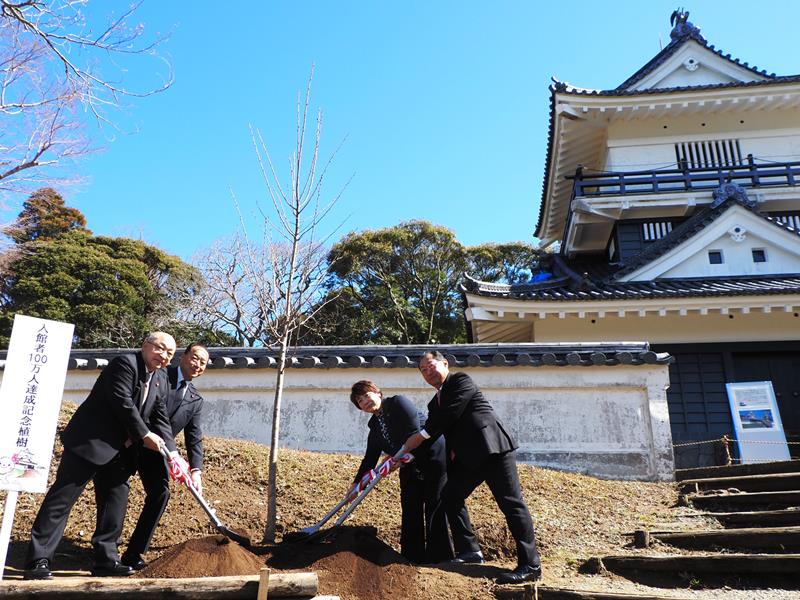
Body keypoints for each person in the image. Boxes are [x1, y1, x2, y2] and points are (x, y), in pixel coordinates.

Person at [24, 332, 178, 580]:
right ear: (145, 345)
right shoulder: (125, 364)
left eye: (170, 353)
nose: (164, 356)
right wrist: (144, 435)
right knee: (62, 500)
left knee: (115, 502)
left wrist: (173, 453)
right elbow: (123, 403)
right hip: (90, 442)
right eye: (160, 348)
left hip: (120, 451)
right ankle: (38, 560)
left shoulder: (160, 378)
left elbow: (159, 416)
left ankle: (106, 560)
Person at [403, 351, 542, 584]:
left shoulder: (461, 380)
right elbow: (433, 433)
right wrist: (405, 455)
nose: (428, 372)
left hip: (493, 449)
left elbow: (448, 415)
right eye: (423, 370)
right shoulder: (434, 403)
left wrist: (420, 435)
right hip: (469, 460)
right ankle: (470, 550)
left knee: (511, 504)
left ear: (445, 363)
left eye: (431, 366)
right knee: (450, 495)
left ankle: (531, 565)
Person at [120, 342, 210, 570]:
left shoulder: (195, 399)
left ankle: (134, 553)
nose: (198, 365)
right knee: (117, 490)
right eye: (195, 358)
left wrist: (196, 470)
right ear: (183, 356)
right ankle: (107, 548)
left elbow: (194, 437)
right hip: (130, 441)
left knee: (160, 493)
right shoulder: (159, 375)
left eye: (203, 363)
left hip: (158, 451)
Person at [350, 380, 454, 564]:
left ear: (378, 393)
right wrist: (356, 485)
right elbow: (370, 458)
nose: (365, 401)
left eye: (366, 395)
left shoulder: (398, 403)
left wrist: (399, 459)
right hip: (407, 464)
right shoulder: (375, 426)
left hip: (432, 457)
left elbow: (414, 432)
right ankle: (412, 557)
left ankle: (440, 558)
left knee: (434, 504)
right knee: (410, 506)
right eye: (360, 401)